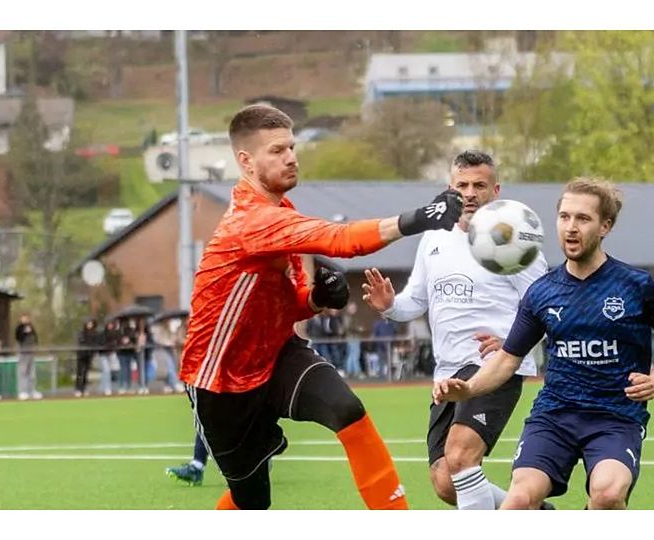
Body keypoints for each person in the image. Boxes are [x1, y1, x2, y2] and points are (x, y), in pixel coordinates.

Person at [177, 104, 463, 510]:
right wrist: (420, 218)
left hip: (276, 355)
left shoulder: (282, 214)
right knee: (252, 501)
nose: (291, 157)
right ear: (245, 161)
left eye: (292, 147)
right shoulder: (251, 221)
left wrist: (315, 300)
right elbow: (342, 239)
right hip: (220, 381)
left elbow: (290, 303)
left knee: (346, 409)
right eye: (276, 150)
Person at [434, 177, 654, 510]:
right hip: (555, 415)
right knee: (519, 500)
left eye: (583, 219)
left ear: (605, 226)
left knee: (608, 495)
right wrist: (468, 390)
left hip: (616, 416)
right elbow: (508, 359)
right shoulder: (542, 292)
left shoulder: (636, 285)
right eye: (564, 217)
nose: (571, 227)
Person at [361, 150, 549, 510]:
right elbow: (414, 303)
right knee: (447, 482)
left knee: (461, 457)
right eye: (462, 185)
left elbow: (548, 306)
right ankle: (534, 513)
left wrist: (515, 341)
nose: (470, 193)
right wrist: (389, 306)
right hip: (446, 371)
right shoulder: (433, 238)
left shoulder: (514, 240)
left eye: (479, 185)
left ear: (496, 191)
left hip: (493, 367)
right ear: (450, 188)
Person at [15, 313, 42, 400]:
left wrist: (35, 346)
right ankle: (22, 391)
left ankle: (32, 390)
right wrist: (24, 332)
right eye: (24, 318)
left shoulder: (31, 327)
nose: (26, 320)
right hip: (23, 353)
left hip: (31, 353)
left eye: (27, 318)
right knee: (23, 372)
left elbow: (35, 338)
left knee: (32, 373)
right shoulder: (19, 328)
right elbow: (18, 337)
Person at [75, 319, 99, 397]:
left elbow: (95, 344)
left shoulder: (94, 333)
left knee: (86, 373)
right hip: (81, 355)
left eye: (91, 323)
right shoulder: (82, 333)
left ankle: (84, 389)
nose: (89, 325)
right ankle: (78, 389)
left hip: (89, 355)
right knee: (80, 373)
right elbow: (80, 342)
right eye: (88, 323)